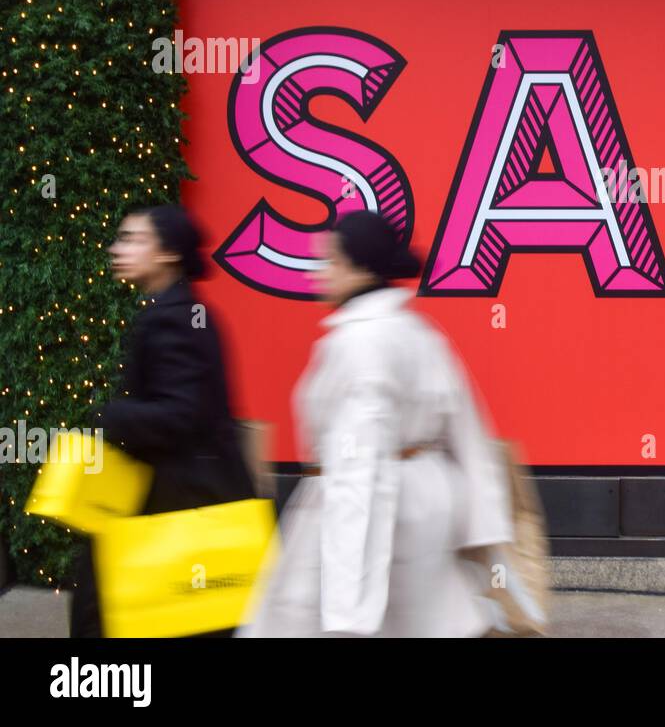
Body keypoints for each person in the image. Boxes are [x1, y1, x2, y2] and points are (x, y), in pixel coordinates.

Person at [238, 210, 513, 637]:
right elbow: (468, 432)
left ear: (359, 267)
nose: (321, 272)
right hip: (428, 502)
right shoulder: (419, 332)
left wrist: (346, 612)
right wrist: (483, 527)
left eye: (330, 260)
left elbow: (357, 467)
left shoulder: (360, 343)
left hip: (377, 513)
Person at [68, 204, 255, 637]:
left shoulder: (173, 318)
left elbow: (182, 413)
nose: (118, 249)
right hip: (180, 499)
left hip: (173, 502)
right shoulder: (182, 311)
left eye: (133, 239)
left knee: (109, 614)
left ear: (168, 253)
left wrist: (110, 415)